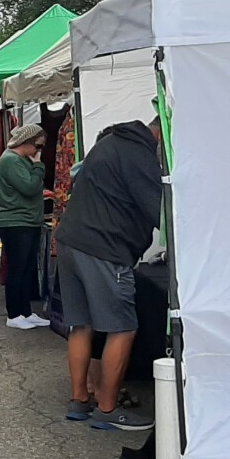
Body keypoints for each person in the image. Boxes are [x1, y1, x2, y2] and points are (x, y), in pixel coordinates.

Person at [56, 117, 163, 430]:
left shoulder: (110, 141)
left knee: (81, 324)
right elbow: (161, 211)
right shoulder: (140, 154)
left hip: (72, 240)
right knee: (123, 328)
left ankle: (80, 399)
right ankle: (107, 408)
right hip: (104, 248)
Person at [0, 124, 52, 330]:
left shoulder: (17, 159)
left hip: (25, 220)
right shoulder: (11, 160)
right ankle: (14, 313)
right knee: (18, 268)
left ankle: (25, 312)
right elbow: (28, 187)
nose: (39, 150)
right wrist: (38, 166)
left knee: (26, 268)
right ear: (27, 143)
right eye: (38, 146)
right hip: (16, 221)